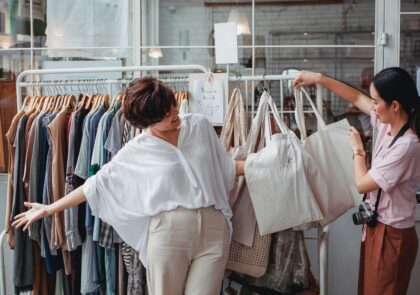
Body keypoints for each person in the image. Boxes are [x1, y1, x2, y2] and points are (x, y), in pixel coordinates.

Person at [13, 77, 245, 295]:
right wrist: (50, 209)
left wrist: (267, 166)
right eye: (163, 114)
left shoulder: (199, 126)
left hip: (214, 230)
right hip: (169, 233)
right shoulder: (137, 150)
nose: (173, 113)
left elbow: (224, 167)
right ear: (146, 122)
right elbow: (95, 185)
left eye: (172, 104)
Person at [294, 67, 420, 295]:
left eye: (375, 101)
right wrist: (318, 79)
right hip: (377, 228)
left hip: (392, 235)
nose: (371, 106)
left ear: (394, 105)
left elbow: (362, 183)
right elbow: (355, 96)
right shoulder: (386, 126)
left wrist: (357, 149)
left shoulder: (407, 146)